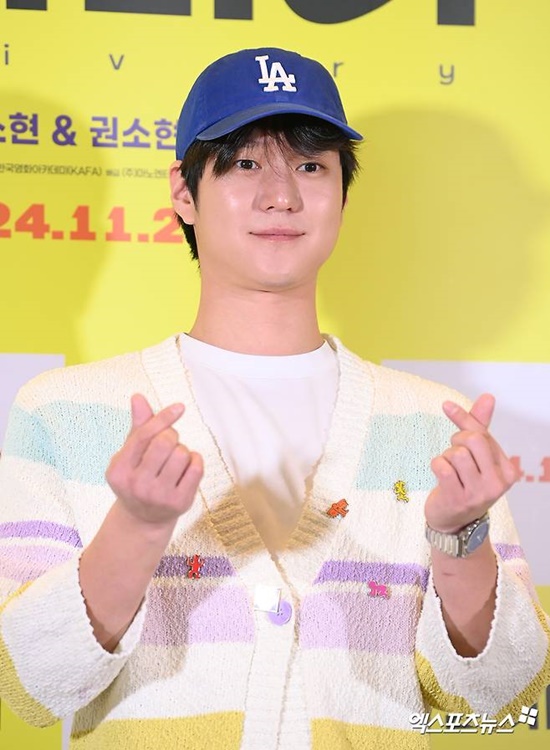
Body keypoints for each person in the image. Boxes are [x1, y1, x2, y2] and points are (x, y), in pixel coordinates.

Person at [0, 47, 548, 750]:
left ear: (343, 194)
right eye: (244, 163)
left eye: (311, 165)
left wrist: (461, 541)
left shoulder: (436, 427)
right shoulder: (62, 410)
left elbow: (497, 696)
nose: (281, 195)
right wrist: (134, 528)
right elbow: (29, 685)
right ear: (183, 191)